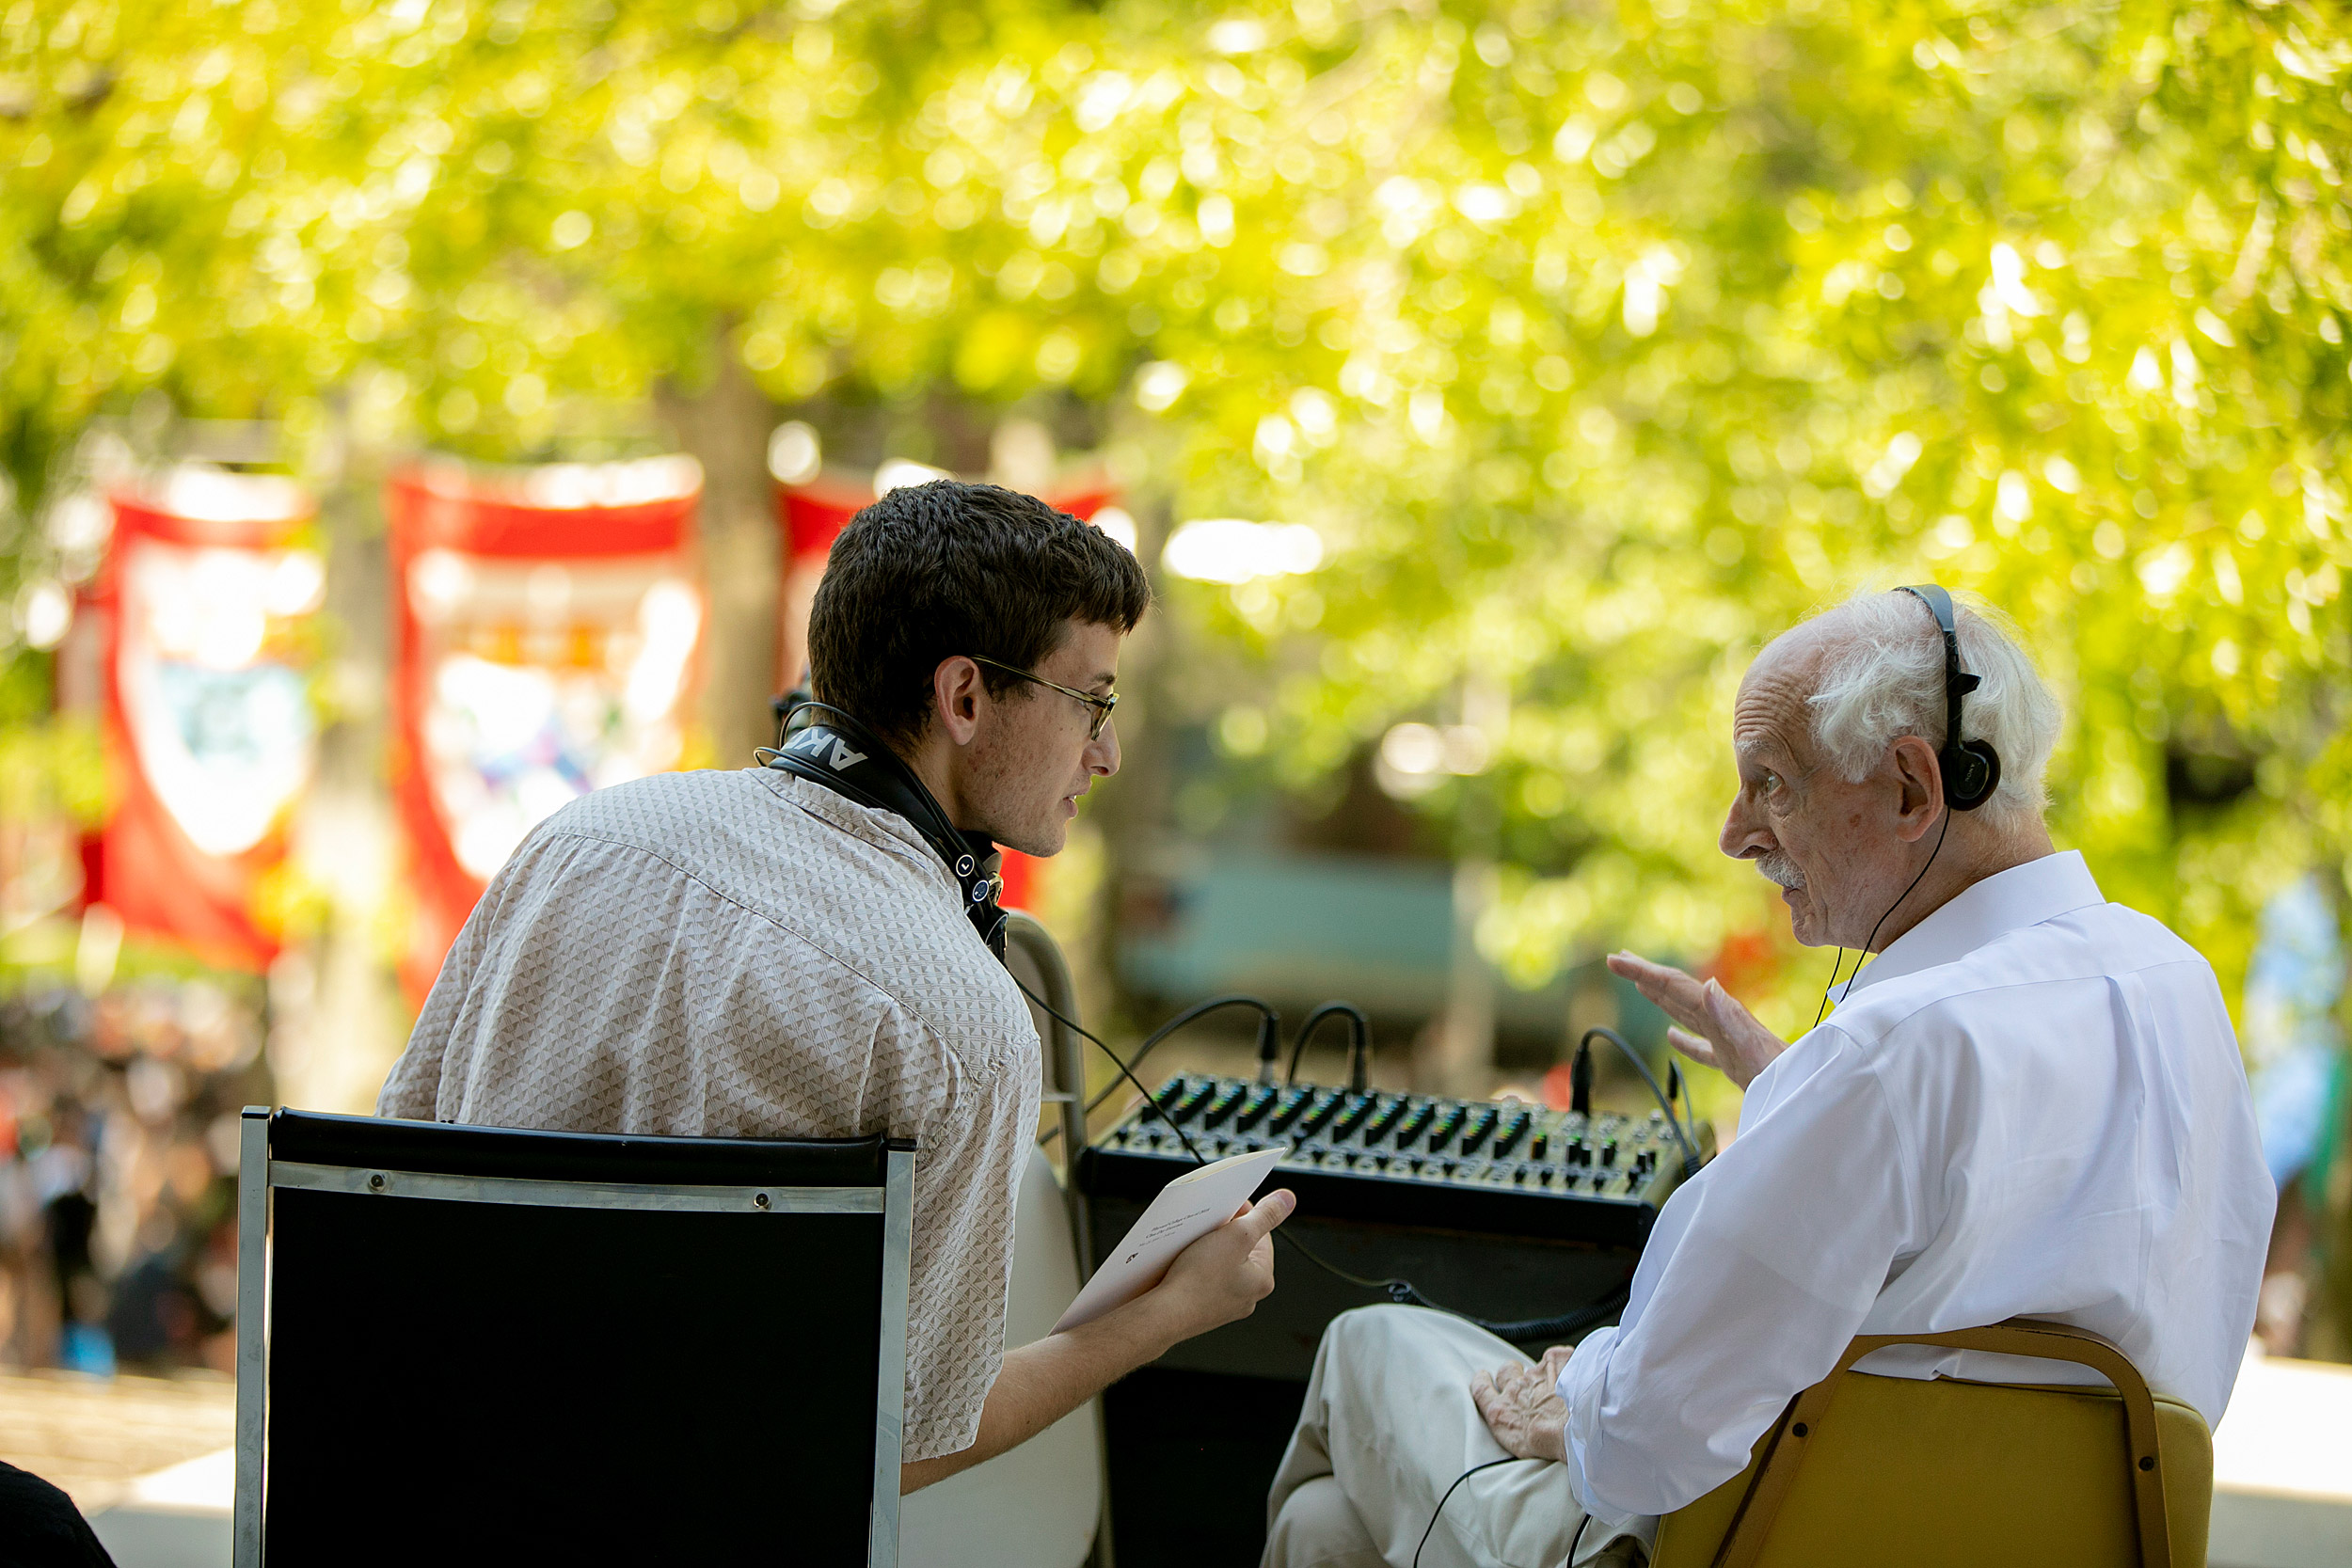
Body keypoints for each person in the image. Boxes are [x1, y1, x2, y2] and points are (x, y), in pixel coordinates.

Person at [1263, 588, 2272, 1568]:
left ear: (1916, 787)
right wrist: (1803, 1099)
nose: (1735, 831)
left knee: (1367, 1343)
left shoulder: (1889, 1054)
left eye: (1771, 782)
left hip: (1745, 1543)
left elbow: (1638, 1442)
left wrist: (1576, 1389)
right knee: (1325, 1530)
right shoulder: (2174, 983)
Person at [378, 479, 1295, 1491]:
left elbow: (391, 1189)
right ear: (965, 698)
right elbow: (905, 1441)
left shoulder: (574, 843)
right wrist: (1169, 1310)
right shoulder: (961, 1018)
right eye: (1094, 700)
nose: (1108, 751)